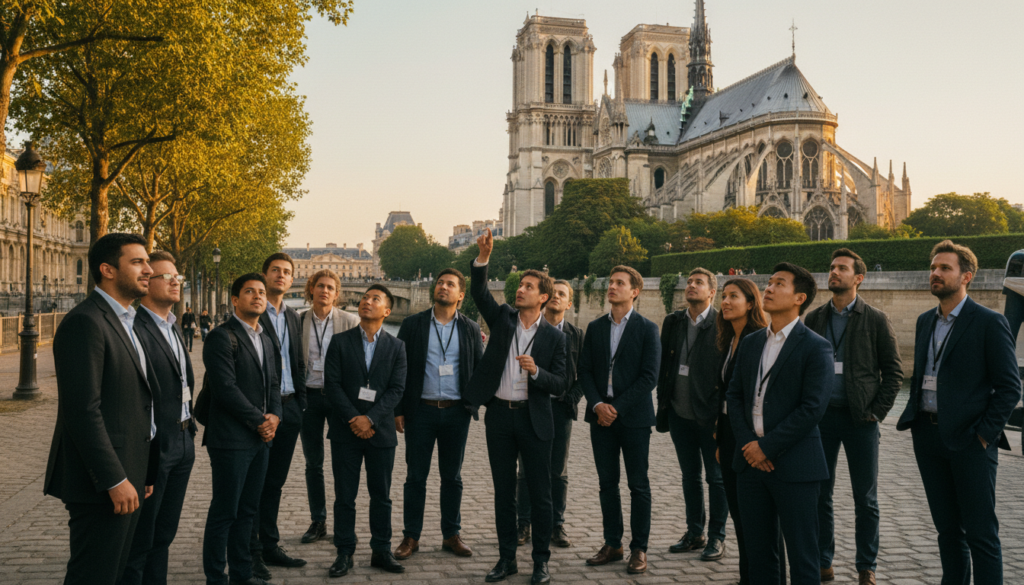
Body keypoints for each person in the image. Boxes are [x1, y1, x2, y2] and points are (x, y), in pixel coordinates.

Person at [896, 240, 1021, 585]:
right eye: (933, 267)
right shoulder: (924, 322)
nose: (935, 273)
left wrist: (983, 435)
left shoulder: (989, 322)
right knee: (947, 530)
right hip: (929, 436)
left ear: (966, 276)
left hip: (970, 441)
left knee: (981, 533)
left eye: (944, 268)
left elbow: (1009, 388)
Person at [44, 233, 155, 585]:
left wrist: (143, 470)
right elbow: (82, 411)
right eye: (137, 262)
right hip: (103, 481)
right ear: (107, 269)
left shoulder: (126, 320)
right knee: (94, 575)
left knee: (116, 571)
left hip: (130, 472)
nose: (148, 270)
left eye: (147, 261)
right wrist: (115, 479)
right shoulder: (86, 322)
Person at [465, 228, 568, 585]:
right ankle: (506, 558)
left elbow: (562, 383)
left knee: (540, 495)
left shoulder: (556, 337)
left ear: (543, 297)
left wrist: (537, 372)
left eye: (527, 286)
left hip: (534, 420)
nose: (520, 289)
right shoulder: (503, 318)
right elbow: (478, 292)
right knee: (504, 493)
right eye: (519, 285)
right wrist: (483, 258)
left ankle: (541, 561)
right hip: (499, 418)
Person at [726, 262, 832, 585]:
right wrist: (749, 446)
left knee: (803, 558)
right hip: (750, 464)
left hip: (795, 465)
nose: (768, 289)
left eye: (779, 284)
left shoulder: (816, 346)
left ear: (799, 298)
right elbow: (734, 396)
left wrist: (766, 447)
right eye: (769, 282)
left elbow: (811, 409)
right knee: (759, 557)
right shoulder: (751, 341)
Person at [804, 249, 904, 585]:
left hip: (860, 419)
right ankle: (823, 561)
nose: (834, 273)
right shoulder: (815, 318)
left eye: (842, 268)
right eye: (832, 267)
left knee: (866, 498)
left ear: (858, 278)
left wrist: (876, 412)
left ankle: (866, 567)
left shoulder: (875, 318)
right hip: (822, 420)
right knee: (821, 493)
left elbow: (893, 373)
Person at [393, 268, 484, 560]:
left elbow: (478, 367)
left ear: (460, 294)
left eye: (450, 284)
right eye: (440, 283)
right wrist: (398, 410)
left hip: (456, 412)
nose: (443, 287)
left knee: (452, 477)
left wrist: (473, 404)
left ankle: (451, 534)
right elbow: (400, 369)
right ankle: (411, 536)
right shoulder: (413, 324)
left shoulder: (470, 328)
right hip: (421, 411)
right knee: (415, 477)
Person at [577, 266, 660, 575]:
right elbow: (584, 370)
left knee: (638, 485)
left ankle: (639, 548)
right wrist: (598, 404)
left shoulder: (648, 328)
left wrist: (616, 408)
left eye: (619, 283)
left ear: (634, 291)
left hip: (633, 418)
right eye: (610, 282)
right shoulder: (595, 327)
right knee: (606, 484)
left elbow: (649, 377)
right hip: (601, 417)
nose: (612, 287)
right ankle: (613, 543)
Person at [119, 251, 196, 585]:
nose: (175, 281)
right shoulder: (135, 328)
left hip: (181, 441)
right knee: (140, 540)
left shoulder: (173, 327)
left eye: (177, 277)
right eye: (168, 277)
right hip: (154, 446)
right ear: (147, 283)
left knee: (164, 535)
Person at [202, 273, 281, 585]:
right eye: (249, 292)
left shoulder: (265, 337)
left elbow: (273, 383)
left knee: (248, 511)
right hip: (231, 439)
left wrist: (275, 414)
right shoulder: (221, 337)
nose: (258, 296)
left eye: (261, 292)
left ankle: (241, 574)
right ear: (235, 299)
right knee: (224, 512)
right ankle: (215, 577)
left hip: (260, 439)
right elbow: (225, 388)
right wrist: (260, 421)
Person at [324, 285, 408, 578]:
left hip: (380, 432)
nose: (366, 302)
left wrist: (370, 419)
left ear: (387, 310)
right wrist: (354, 419)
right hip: (346, 431)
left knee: (381, 496)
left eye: (375, 299)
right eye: (364, 298)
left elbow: (397, 389)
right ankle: (344, 552)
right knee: (344, 496)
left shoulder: (397, 347)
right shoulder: (339, 342)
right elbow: (331, 385)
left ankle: (381, 550)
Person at [713, 278, 785, 585]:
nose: (725, 302)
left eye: (733, 296)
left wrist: (755, 443)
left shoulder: (759, 339)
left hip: (753, 438)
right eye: (723, 296)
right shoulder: (730, 339)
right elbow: (726, 394)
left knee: (762, 523)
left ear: (751, 303)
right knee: (741, 517)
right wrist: (720, 436)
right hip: (732, 435)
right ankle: (748, 577)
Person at [658, 268, 727, 561]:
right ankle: (694, 531)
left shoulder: (722, 322)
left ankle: (716, 537)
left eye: (698, 283)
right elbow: (665, 364)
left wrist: (720, 414)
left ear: (712, 292)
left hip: (709, 416)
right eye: (688, 282)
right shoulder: (673, 321)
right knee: (690, 476)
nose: (691, 286)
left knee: (716, 478)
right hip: (679, 412)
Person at [249, 253, 307, 579]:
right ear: (264, 274)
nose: (281, 276)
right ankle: (251, 551)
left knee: (275, 483)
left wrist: (299, 404)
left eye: (287, 272)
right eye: (275, 271)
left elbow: (297, 361)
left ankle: (269, 543)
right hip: (262, 411)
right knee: (254, 483)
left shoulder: (294, 317)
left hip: (289, 407)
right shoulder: (255, 311)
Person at [515, 279, 585, 548]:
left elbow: (584, 374)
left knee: (558, 471)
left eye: (562, 294)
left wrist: (571, 399)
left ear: (569, 303)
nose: (556, 297)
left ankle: (557, 523)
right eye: (553, 292)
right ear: (544, 298)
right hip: (532, 406)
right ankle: (524, 523)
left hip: (560, 409)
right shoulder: (533, 328)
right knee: (525, 471)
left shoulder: (576, 334)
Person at [298, 269, 358, 544]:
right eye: (320, 286)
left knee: (343, 463)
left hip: (338, 399)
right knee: (313, 463)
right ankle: (318, 520)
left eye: (330, 288)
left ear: (337, 294)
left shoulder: (350, 321)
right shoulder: (297, 321)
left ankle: (344, 524)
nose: (324, 291)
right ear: (311, 289)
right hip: (309, 396)